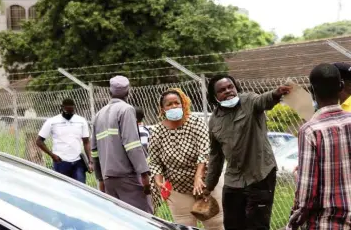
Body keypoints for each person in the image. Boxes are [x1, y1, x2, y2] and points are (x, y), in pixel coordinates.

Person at [204, 74, 292, 230]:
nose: (228, 91)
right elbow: (216, 156)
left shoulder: (249, 101)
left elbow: (263, 100)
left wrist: (276, 94)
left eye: (230, 87)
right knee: (232, 224)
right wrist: (208, 186)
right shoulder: (214, 121)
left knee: (256, 225)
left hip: (260, 175)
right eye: (222, 90)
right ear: (215, 96)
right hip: (233, 179)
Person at [149, 88, 224, 230]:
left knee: (215, 223)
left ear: (182, 104)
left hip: (206, 181)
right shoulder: (157, 131)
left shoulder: (196, 123)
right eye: (169, 104)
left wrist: (198, 176)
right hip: (178, 187)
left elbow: (205, 151)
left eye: (176, 103)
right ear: (162, 109)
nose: (173, 107)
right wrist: (159, 181)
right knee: (183, 225)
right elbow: (155, 160)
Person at [287, 63, 351, 230]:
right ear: (341, 86)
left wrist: (294, 221)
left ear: (312, 91)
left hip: (327, 223)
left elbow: (306, 195)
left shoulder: (310, 131)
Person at [91, 75, 153, 214]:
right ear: (128, 92)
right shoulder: (126, 110)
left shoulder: (98, 115)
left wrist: (100, 178)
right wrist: (144, 175)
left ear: (110, 92)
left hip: (108, 179)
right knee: (144, 218)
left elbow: (94, 151)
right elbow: (132, 145)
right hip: (128, 176)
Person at [36, 98, 93, 183]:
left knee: (81, 190)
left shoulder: (81, 121)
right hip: (61, 162)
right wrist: (52, 155)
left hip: (77, 162)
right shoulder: (52, 121)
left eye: (71, 112)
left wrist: (90, 161)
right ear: (62, 108)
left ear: (74, 109)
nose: (69, 114)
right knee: (62, 190)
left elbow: (86, 142)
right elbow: (39, 141)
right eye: (67, 112)